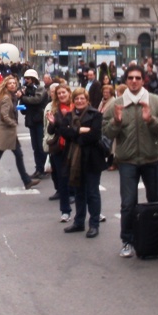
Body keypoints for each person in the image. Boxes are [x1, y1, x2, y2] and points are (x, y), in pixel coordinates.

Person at [102, 62, 158, 258]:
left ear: (143, 80)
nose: (133, 81)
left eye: (137, 78)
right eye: (130, 78)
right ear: (126, 80)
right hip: (128, 160)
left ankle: (156, 239)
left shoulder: (155, 101)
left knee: (156, 201)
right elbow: (106, 132)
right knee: (128, 203)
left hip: (151, 159)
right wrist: (116, 121)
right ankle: (127, 240)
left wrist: (151, 120)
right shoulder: (116, 104)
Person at [0, 76, 41, 194]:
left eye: (14, 83)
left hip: (9, 132)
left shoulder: (10, 96)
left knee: (18, 155)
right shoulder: (6, 98)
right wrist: (13, 123)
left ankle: (26, 181)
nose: (12, 85)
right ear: (5, 85)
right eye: (9, 83)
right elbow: (4, 115)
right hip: (6, 131)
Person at [57, 88, 104, 238]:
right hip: (74, 160)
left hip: (91, 158)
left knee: (92, 193)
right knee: (79, 192)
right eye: (76, 98)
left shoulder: (95, 114)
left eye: (82, 98)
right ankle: (79, 222)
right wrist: (80, 131)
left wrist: (75, 134)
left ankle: (94, 224)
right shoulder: (69, 115)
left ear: (87, 99)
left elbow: (95, 135)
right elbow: (64, 131)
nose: (79, 101)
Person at [45, 83, 75, 220]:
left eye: (64, 92)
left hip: (75, 148)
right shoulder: (55, 109)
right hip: (60, 149)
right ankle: (65, 211)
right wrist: (52, 123)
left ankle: (92, 211)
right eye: (59, 93)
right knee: (63, 180)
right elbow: (51, 132)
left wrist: (64, 119)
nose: (62, 95)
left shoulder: (76, 107)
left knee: (80, 180)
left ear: (69, 93)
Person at [20, 69, 49, 179]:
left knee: (41, 146)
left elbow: (37, 100)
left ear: (33, 79)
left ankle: (44, 168)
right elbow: (23, 107)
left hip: (40, 120)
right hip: (31, 120)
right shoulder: (26, 90)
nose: (26, 80)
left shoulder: (40, 89)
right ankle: (38, 168)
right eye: (25, 78)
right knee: (35, 146)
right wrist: (21, 98)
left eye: (27, 78)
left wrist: (23, 97)